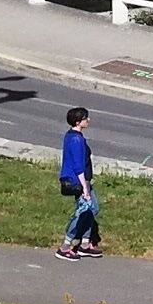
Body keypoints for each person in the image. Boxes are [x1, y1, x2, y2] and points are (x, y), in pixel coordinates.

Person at [56, 107, 102, 260]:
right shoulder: (77, 140)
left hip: (83, 180)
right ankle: (65, 246)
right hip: (79, 181)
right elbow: (78, 166)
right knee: (83, 211)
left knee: (92, 209)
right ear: (77, 122)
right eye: (85, 118)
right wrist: (85, 189)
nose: (88, 120)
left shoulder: (72, 136)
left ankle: (85, 243)